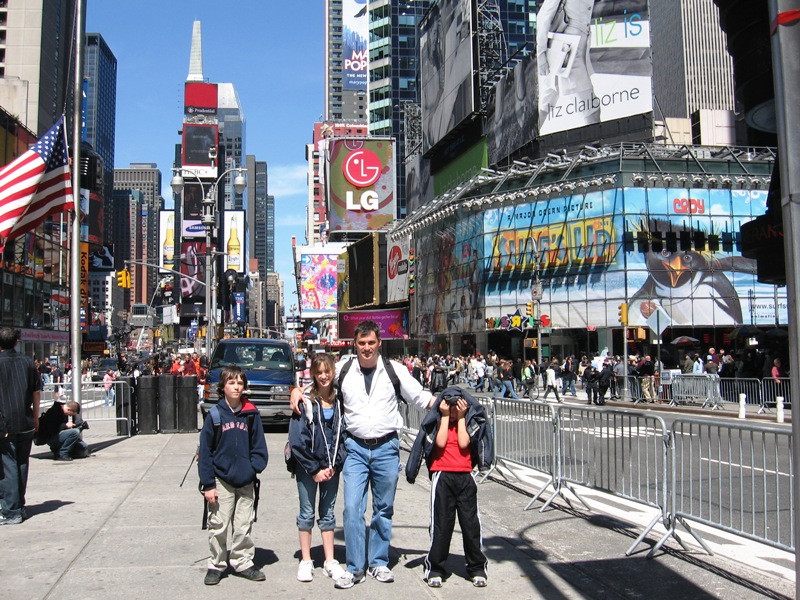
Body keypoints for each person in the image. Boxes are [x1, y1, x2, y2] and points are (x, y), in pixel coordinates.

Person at [289, 320, 434, 589]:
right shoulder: (344, 369)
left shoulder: (395, 371)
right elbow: (319, 385)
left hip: (387, 448)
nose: (366, 348)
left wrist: (448, 402)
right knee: (352, 508)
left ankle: (378, 562)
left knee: (383, 509)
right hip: (354, 448)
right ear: (354, 345)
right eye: (361, 343)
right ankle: (356, 567)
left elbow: (421, 398)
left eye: (371, 343)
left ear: (379, 343)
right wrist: (296, 390)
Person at [405, 387, 492, 588]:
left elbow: (463, 444)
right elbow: (440, 442)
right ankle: (435, 568)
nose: (453, 409)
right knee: (441, 525)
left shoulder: (468, 422)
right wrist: (444, 416)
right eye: (449, 405)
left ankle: (477, 567)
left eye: (456, 406)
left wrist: (461, 418)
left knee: (471, 524)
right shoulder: (436, 422)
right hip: (442, 475)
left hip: (465, 476)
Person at [197, 366, 268, 586]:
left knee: (243, 524)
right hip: (221, 480)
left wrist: (252, 468)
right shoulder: (215, 416)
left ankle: (243, 561)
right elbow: (205, 452)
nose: (236, 387)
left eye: (239, 383)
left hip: (246, 480)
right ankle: (216, 564)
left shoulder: (251, 413)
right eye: (231, 383)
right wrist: (208, 484)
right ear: (223, 387)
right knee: (218, 524)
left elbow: (259, 447)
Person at [288, 353, 347, 583]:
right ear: (313, 374)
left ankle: (329, 560)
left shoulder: (341, 399)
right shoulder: (305, 401)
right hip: (307, 468)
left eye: (327, 371)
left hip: (331, 467)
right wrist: (314, 469)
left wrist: (335, 464)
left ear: (333, 373)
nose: (323, 376)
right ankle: (306, 560)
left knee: (328, 513)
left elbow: (344, 436)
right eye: (319, 372)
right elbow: (297, 440)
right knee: (306, 513)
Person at [0, 327, 41, 525]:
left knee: (7, 466)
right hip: (25, 421)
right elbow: (36, 392)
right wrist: (36, 417)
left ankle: (11, 510)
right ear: (17, 341)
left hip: (4, 423)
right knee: (21, 463)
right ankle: (19, 505)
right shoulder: (27, 362)